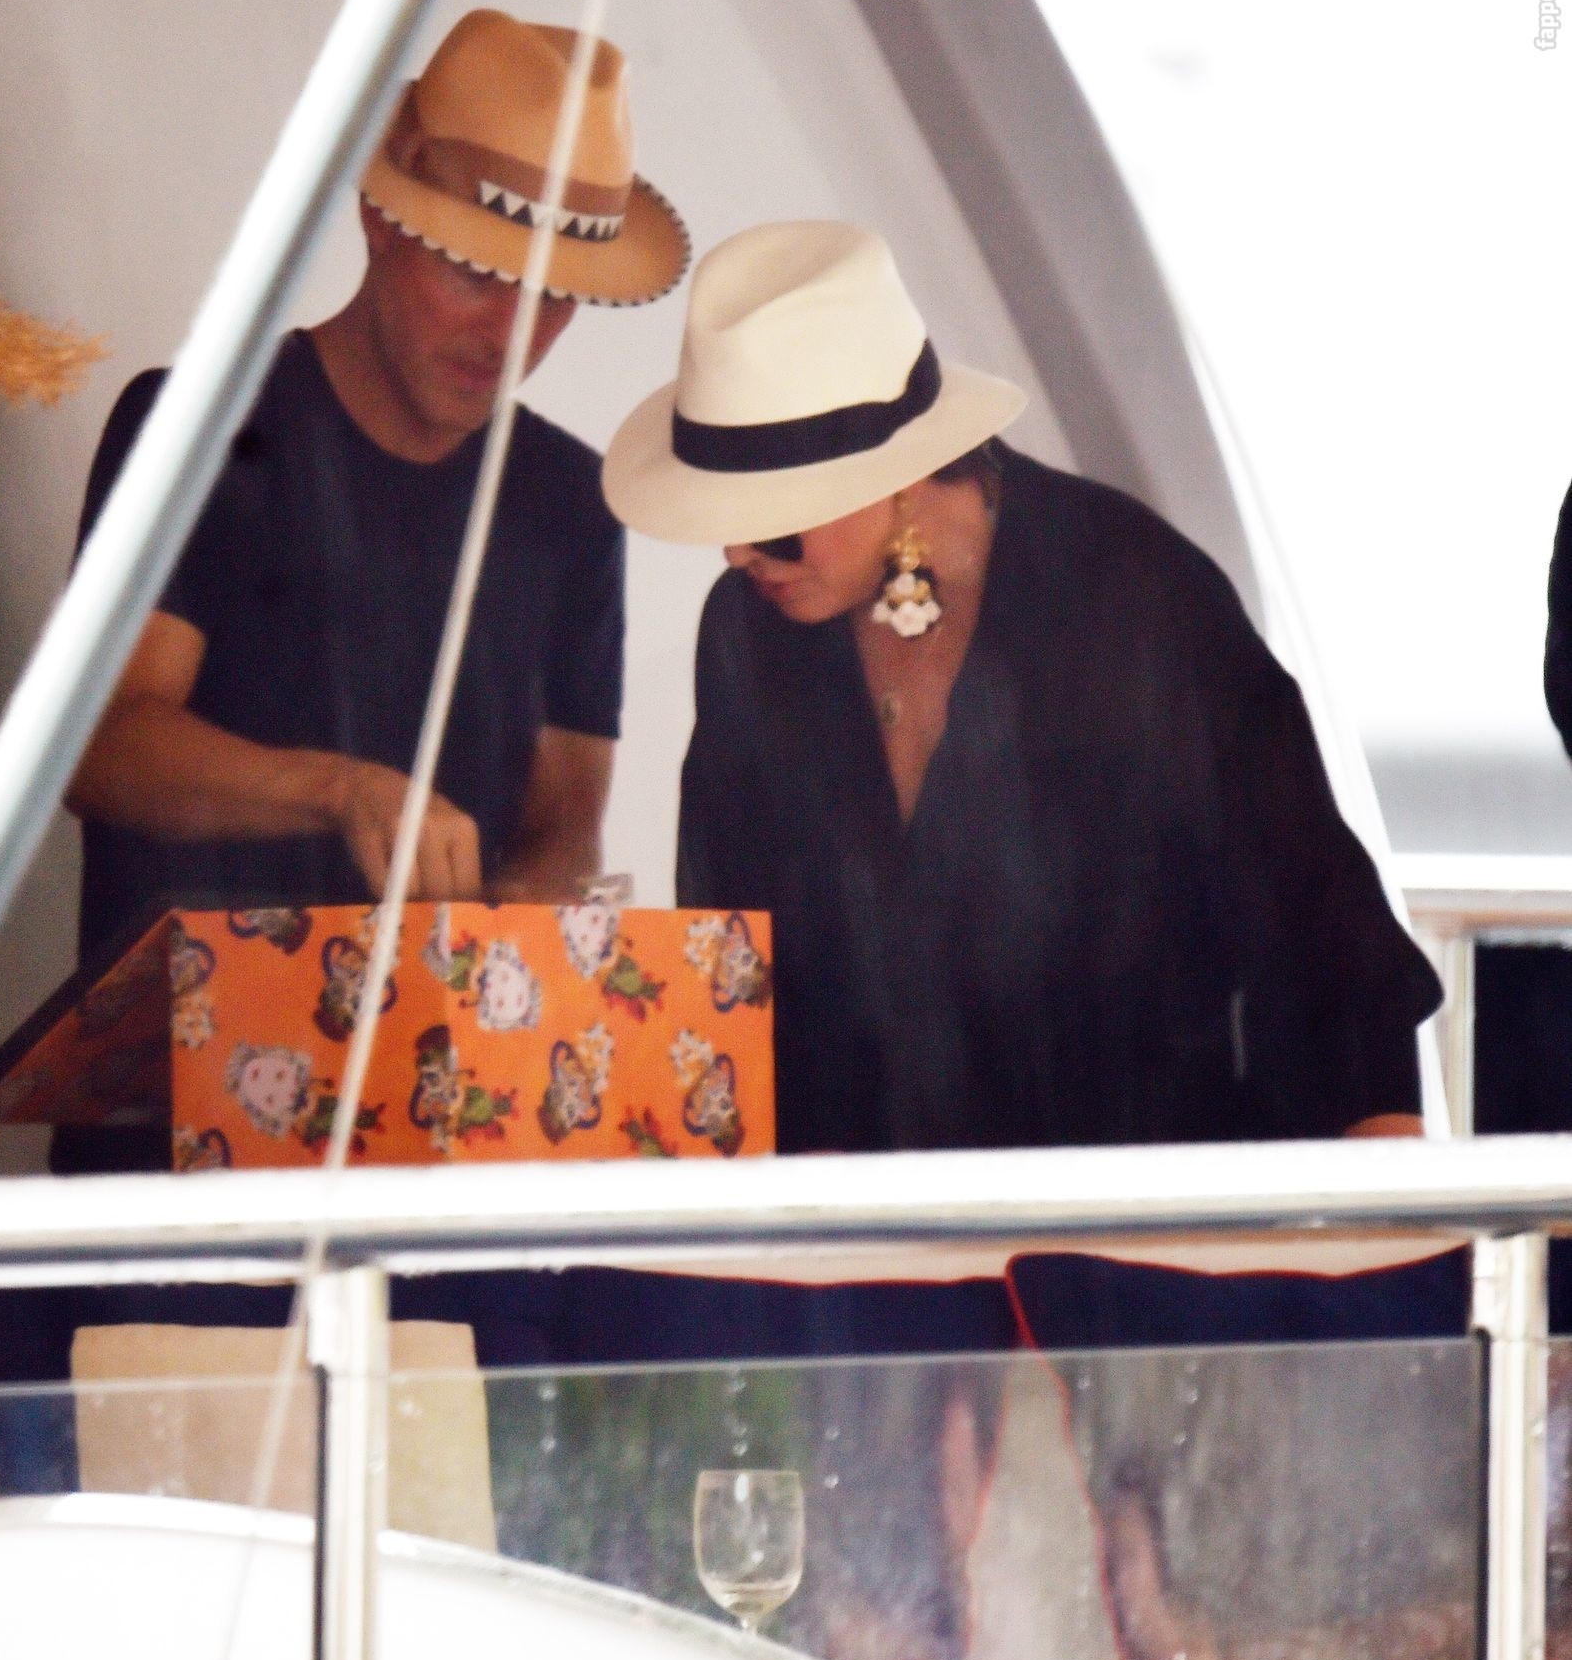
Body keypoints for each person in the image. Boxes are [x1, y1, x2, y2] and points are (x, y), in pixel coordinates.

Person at [603, 220, 1440, 1150]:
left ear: (895, 475)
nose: (738, 551)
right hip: (853, 1231)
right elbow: (730, 968)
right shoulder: (749, 633)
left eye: (771, 518)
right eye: (723, 514)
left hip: (1135, 1217)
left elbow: (1323, 930)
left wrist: (1386, 1217)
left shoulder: (1134, 597)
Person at [65, 9, 689, 976]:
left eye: (554, 295)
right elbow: (100, 749)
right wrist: (339, 789)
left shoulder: (572, 504)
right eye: (478, 273)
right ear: (381, 220)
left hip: (437, 1067)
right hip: (181, 1060)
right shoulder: (194, 431)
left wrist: (536, 899)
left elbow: (567, 826)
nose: (510, 334)